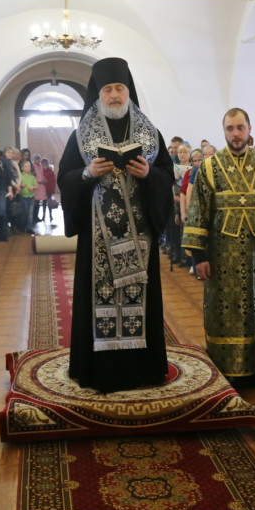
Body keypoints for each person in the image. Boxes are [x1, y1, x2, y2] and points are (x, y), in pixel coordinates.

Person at [58, 57, 174, 392]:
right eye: (107, 89)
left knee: (142, 301)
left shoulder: (150, 134)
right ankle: (100, 370)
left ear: (128, 91)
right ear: (98, 94)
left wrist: (149, 175)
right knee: (99, 300)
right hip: (98, 242)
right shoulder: (81, 136)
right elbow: (64, 178)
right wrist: (87, 174)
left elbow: (167, 176)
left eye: (119, 88)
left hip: (141, 240)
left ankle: (144, 368)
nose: (114, 95)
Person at [182, 108, 255, 386]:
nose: (235, 134)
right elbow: (198, 213)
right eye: (230, 128)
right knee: (224, 312)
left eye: (240, 127)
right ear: (224, 131)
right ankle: (226, 367)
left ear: (249, 129)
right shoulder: (208, 167)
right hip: (221, 257)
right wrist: (199, 257)